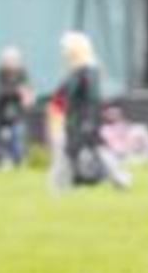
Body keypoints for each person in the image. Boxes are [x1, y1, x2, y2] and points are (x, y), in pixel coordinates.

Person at [54, 31, 130, 190]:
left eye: (66, 48)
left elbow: (92, 99)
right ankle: (118, 180)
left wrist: (88, 121)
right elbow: (63, 95)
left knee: (73, 151)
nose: (64, 52)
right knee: (91, 149)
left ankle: (60, 187)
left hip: (84, 120)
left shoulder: (88, 71)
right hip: (76, 119)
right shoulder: (75, 71)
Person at [0, 46, 33, 168]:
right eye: (9, 59)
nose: (11, 62)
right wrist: (16, 92)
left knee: (18, 134)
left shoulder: (23, 73)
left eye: (14, 59)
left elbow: (27, 92)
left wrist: (25, 95)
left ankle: (17, 162)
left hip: (17, 113)